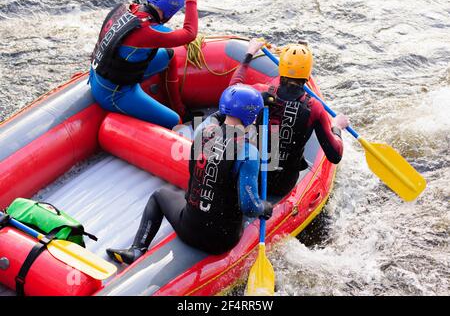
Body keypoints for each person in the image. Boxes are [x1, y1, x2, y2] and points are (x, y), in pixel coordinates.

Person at [106, 84, 273, 264]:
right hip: (221, 241)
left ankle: (137, 249)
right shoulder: (249, 153)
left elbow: (216, 118)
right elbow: (249, 207)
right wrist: (264, 207)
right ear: (251, 117)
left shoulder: (202, 132)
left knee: (159, 195)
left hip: (188, 228)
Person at [230, 39, 350, 197]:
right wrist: (337, 127)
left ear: (281, 68)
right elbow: (335, 155)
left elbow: (232, 91)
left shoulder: (261, 92)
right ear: (308, 73)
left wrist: (250, 53)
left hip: (253, 176)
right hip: (283, 184)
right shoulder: (314, 107)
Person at [89, 0, 199, 129]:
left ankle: (178, 107)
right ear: (171, 11)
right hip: (114, 92)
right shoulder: (149, 31)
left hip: (103, 72)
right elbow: (190, 34)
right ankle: (177, 115)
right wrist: (191, 0)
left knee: (169, 56)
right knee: (175, 121)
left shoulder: (131, 8)